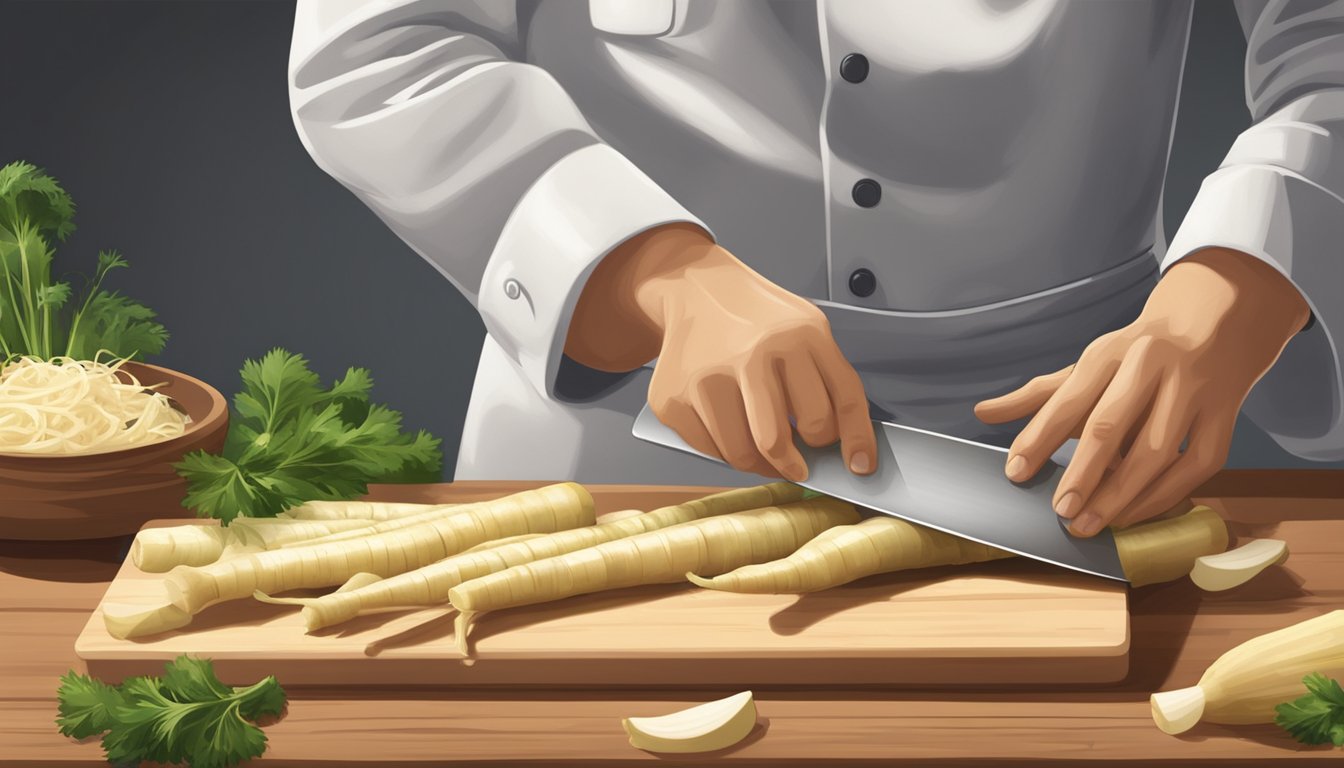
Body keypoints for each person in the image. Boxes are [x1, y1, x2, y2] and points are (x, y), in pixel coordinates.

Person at [288, 0, 1341, 537]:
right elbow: (383, 47)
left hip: (1075, 456)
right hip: (616, 453)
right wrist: (657, 274)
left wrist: (1241, 286)